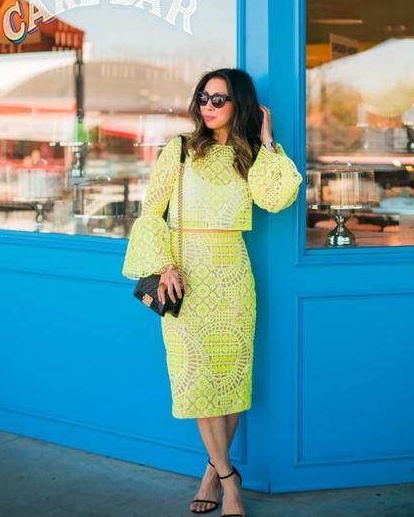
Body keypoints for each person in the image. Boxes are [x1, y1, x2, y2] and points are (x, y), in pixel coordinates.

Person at [122, 67, 303, 517]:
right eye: (203, 96)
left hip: (232, 272)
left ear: (238, 104)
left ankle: (211, 471)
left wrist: (267, 141)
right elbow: (151, 212)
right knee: (198, 377)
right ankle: (229, 479)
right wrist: (163, 265)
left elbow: (276, 198)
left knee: (229, 377)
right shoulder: (179, 149)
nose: (208, 105)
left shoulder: (249, 154)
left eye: (219, 99)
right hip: (184, 272)